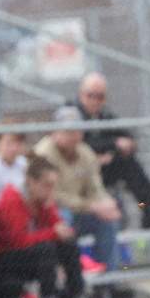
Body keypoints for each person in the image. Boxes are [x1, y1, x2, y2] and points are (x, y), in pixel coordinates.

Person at [0, 155, 104, 298]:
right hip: (3, 261)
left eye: (53, 186)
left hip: (26, 255)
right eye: (46, 185)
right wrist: (54, 232)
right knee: (46, 248)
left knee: (67, 244)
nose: (51, 191)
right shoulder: (12, 199)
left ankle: (76, 295)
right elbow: (18, 241)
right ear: (31, 182)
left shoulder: (41, 199)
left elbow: (57, 227)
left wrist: (60, 228)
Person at [34, 106, 122, 271]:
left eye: (76, 130)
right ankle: (67, 276)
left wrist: (105, 203)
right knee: (63, 217)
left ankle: (108, 278)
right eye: (67, 131)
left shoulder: (85, 152)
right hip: (48, 213)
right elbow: (53, 196)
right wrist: (91, 206)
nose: (73, 135)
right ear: (54, 132)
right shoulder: (43, 153)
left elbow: (95, 187)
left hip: (80, 210)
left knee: (108, 220)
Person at [75, 72, 150, 228]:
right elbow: (80, 143)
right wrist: (112, 145)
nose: (95, 101)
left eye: (100, 97)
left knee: (128, 164)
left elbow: (127, 137)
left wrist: (114, 152)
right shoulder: (72, 114)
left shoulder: (104, 115)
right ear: (81, 94)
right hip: (80, 171)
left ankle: (146, 209)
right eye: (90, 96)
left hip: (105, 168)